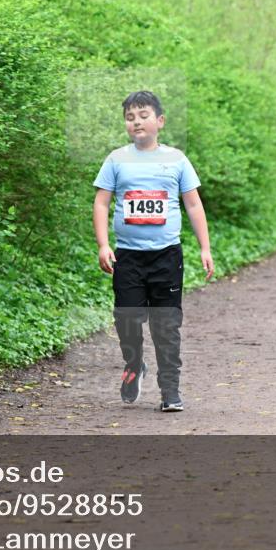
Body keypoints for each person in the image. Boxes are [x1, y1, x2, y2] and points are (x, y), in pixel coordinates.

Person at [93, 90, 214, 412]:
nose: (137, 122)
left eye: (143, 115)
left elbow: (193, 203)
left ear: (159, 121)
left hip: (166, 256)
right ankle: (134, 364)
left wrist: (205, 247)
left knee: (167, 325)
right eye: (130, 117)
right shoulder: (116, 159)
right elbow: (102, 201)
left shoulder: (176, 160)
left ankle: (170, 390)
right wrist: (104, 244)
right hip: (128, 256)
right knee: (127, 319)